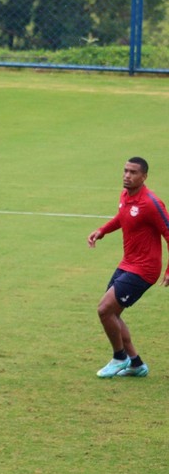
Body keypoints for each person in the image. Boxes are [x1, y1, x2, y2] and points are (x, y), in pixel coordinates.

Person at [87, 157, 169, 378]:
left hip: (145, 269)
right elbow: (122, 217)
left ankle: (119, 357)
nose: (127, 175)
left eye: (133, 172)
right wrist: (102, 230)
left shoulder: (151, 203)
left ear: (144, 177)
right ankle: (136, 363)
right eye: (125, 171)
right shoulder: (125, 195)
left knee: (105, 309)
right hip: (128, 263)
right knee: (112, 312)